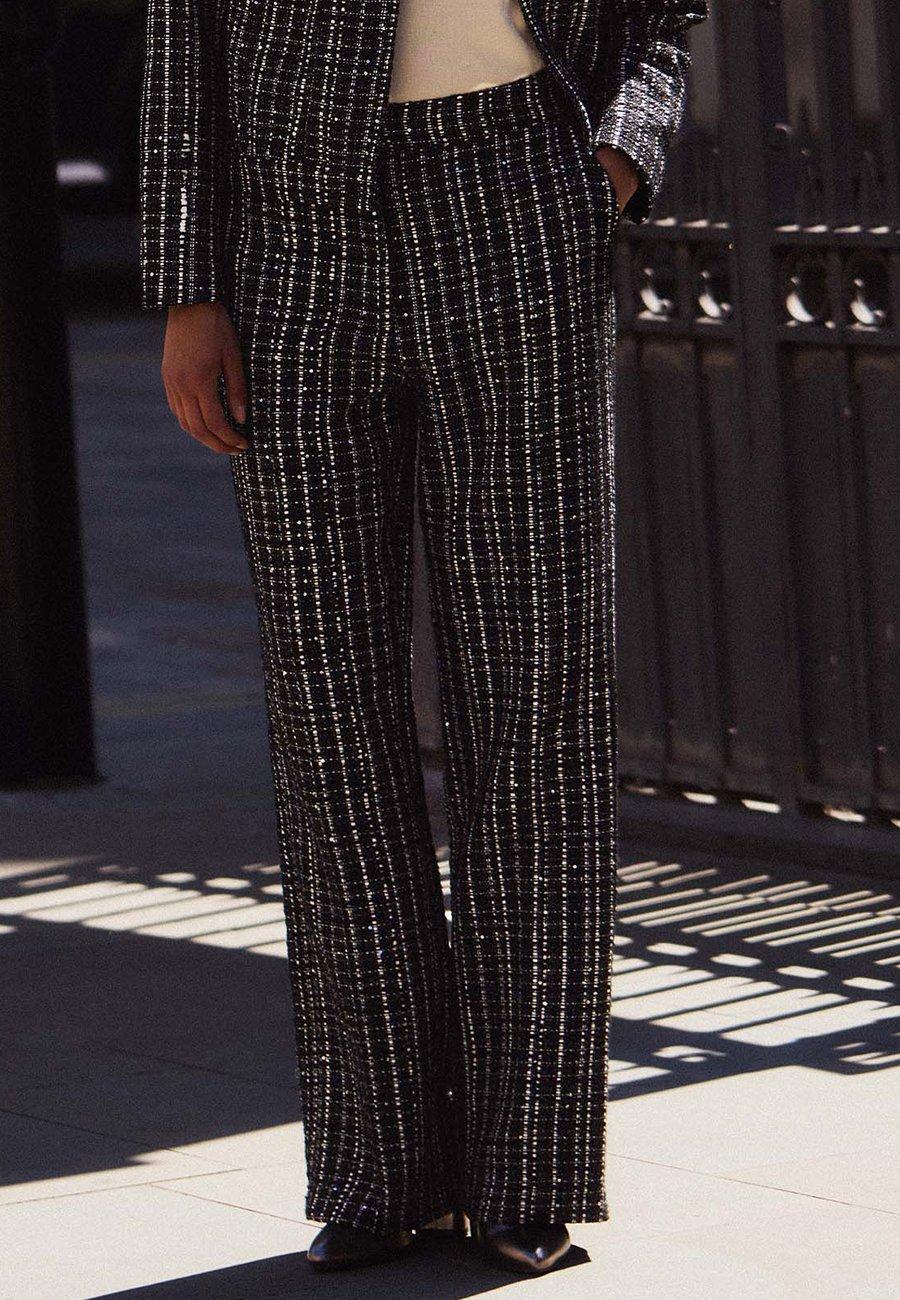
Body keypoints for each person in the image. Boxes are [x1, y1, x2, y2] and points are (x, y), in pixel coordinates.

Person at [140, 0, 707, 1278]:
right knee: (327, 711)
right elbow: (184, 34)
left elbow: (664, 15)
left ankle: (528, 1167)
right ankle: (377, 1168)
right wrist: (188, 284)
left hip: (517, 188)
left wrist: (619, 151)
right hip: (292, 235)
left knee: (534, 697)